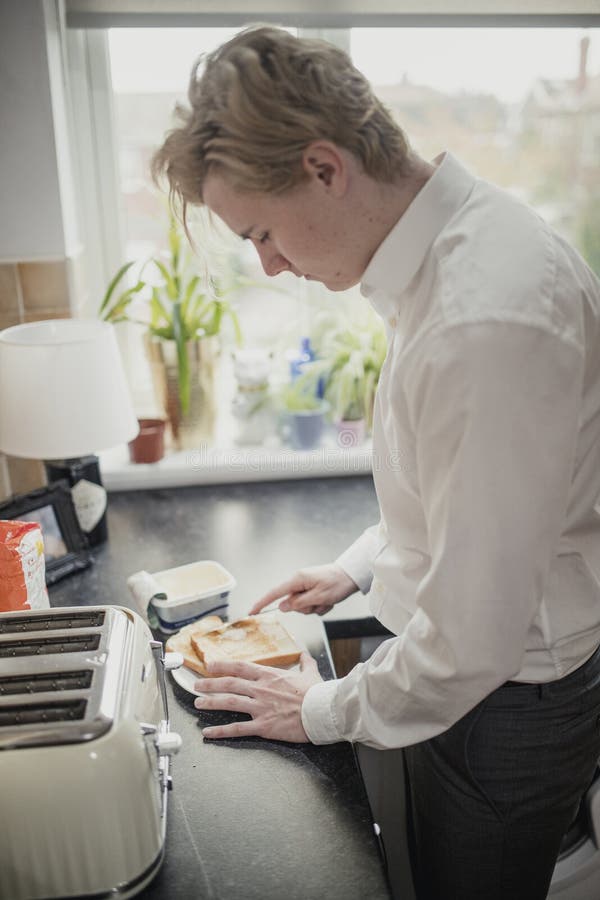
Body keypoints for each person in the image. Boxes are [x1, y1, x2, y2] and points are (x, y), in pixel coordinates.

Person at [152, 25, 600, 900]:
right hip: (468, 677)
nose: (270, 264)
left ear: (325, 168)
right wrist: (361, 566)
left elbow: (473, 634)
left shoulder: (485, 321)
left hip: (503, 702)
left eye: (264, 232)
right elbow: (461, 487)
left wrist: (314, 710)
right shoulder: (447, 256)